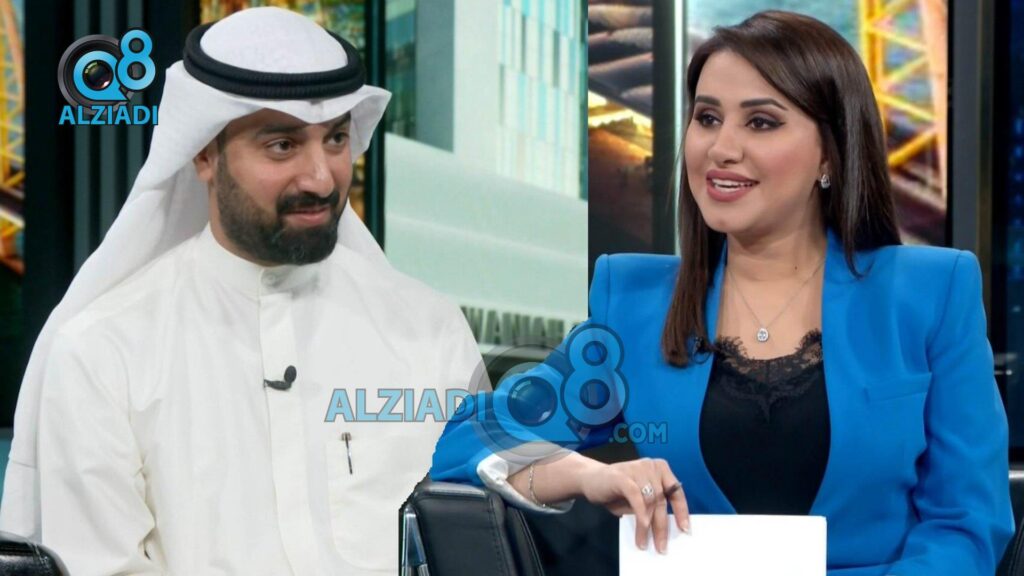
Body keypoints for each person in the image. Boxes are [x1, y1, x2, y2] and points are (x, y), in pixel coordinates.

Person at [431, 10, 1014, 575]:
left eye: (760, 122)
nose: (721, 148)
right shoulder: (632, 302)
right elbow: (468, 440)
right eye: (708, 118)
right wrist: (586, 474)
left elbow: (966, 523)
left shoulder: (930, 294)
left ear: (830, 154)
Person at [0, 8, 482, 575]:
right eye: (282, 145)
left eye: (335, 139)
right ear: (204, 153)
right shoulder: (103, 350)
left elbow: (478, 535)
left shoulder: (430, 329)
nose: (321, 177)